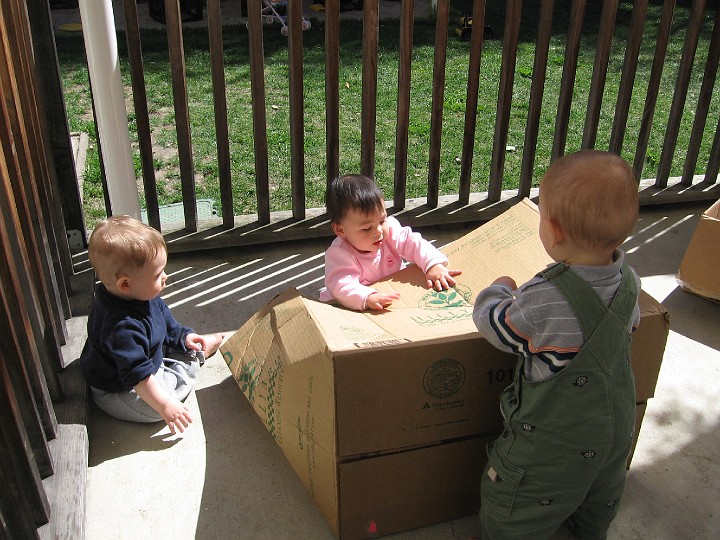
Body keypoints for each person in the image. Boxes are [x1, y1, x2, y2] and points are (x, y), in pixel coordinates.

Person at [472, 150, 642, 539]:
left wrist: (497, 291)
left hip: (551, 451)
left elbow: (497, 327)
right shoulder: (630, 283)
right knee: (600, 495)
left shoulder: (545, 296)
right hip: (613, 441)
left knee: (512, 507)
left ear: (554, 230)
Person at [79, 215, 224, 434]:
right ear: (125, 284)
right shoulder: (121, 329)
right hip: (121, 388)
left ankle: (187, 349)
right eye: (157, 274)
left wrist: (182, 336)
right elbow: (138, 376)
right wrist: (165, 406)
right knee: (157, 409)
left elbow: (163, 317)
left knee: (169, 347)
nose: (165, 276)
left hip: (142, 360)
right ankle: (195, 357)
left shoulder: (139, 294)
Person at [320, 174, 461, 311]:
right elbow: (342, 285)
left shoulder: (391, 230)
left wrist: (433, 265)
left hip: (391, 291)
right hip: (351, 304)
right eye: (367, 228)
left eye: (382, 221)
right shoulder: (339, 254)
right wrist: (367, 297)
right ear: (340, 230)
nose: (379, 231)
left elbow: (413, 243)